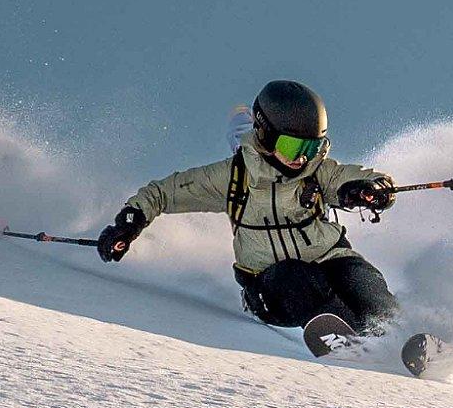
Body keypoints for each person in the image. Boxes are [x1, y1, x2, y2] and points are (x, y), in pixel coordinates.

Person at [94, 78, 401, 349]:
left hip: (328, 259)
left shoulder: (317, 169)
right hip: (270, 286)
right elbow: (163, 192)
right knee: (294, 276)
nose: (303, 158)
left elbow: (351, 177)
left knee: (360, 278)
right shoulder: (232, 177)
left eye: (312, 147)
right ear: (267, 136)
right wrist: (129, 223)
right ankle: (350, 345)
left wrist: (370, 189)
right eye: (294, 147)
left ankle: (397, 337)